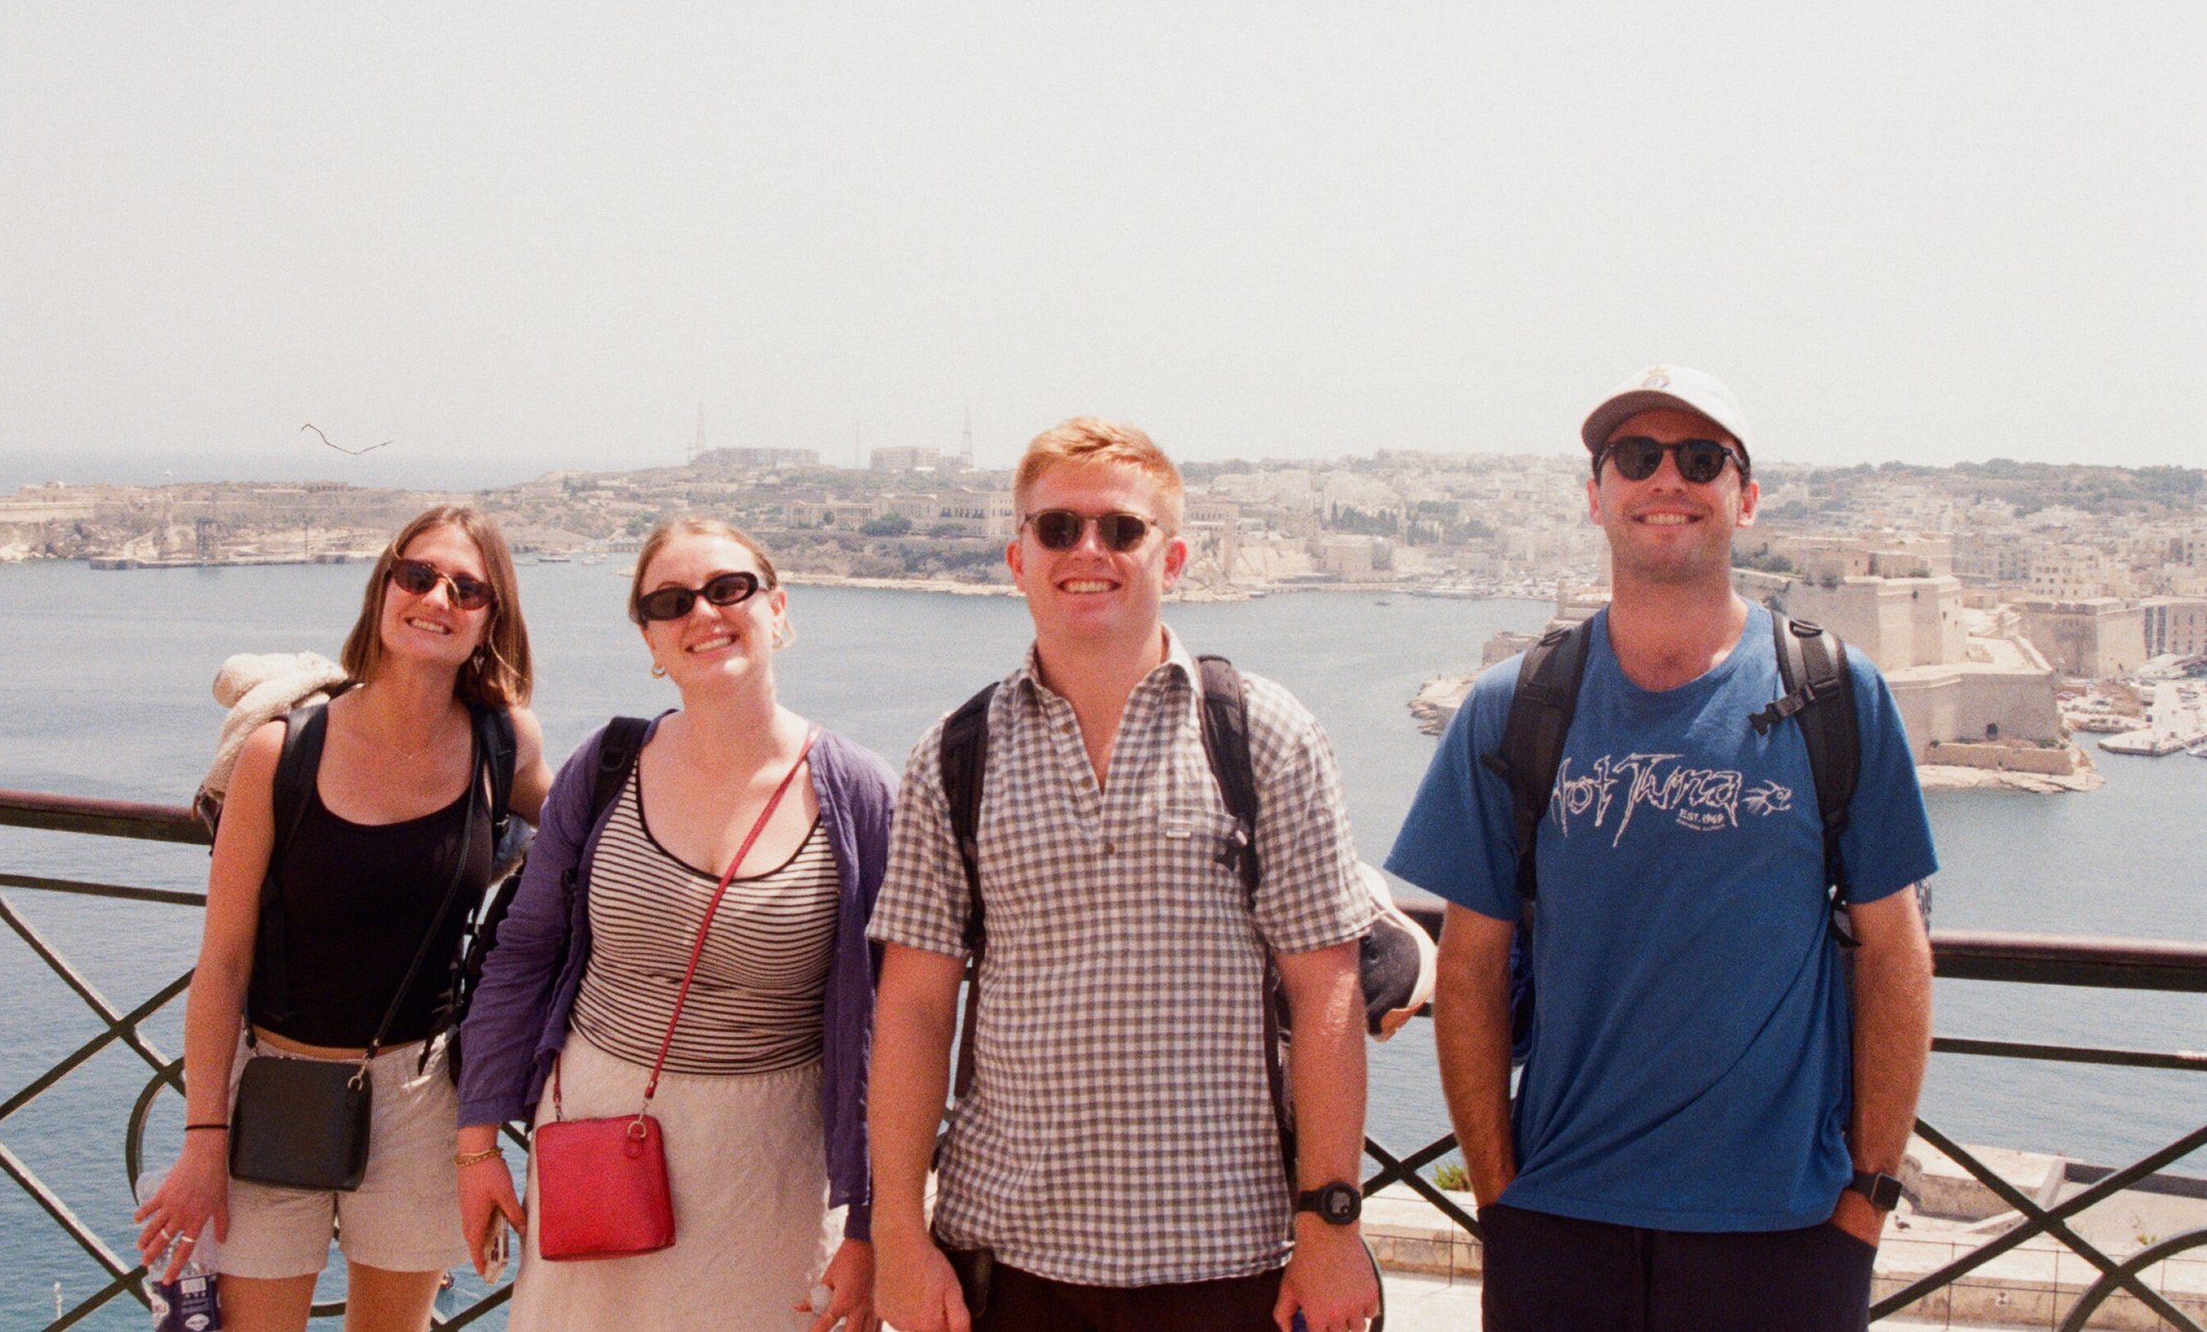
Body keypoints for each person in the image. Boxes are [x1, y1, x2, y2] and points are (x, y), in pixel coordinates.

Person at [1385, 365, 1939, 1332]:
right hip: (1560, 1216)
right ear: (1596, 496)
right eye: (1637, 456)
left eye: (1701, 458)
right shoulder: (1513, 707)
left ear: (1745, 496)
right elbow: (1471, 966)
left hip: (1788, 1227)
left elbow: (1896, 953)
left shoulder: (1841, 696)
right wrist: (1499, 1193)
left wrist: (1867, 1201)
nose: (1667, 478)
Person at [868, 417, 1387, 1332]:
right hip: (1009, 1255)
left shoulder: (1262, 733)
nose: (1089, 550)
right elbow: (914, 1008)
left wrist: (1332, 1222)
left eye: (1122, 529)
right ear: (1016, 556)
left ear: (1175, 557)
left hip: (1226, 1256)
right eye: (1057, 528)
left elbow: (1327, 989)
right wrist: (899, 1233)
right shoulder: (954, 753)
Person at [454, 519, 895, 1332]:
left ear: (779, 609)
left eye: (730, 588)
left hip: (770, 1167)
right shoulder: (607, 763)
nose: (704, 612)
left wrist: (868, 1222)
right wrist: (478, 1142)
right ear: (651, 637)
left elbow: (887, 1026)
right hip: (593, 1139)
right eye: (671, 599)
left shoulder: (860, 794)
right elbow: (523, 953)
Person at [134, 505, 549, 1331]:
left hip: (422, 1094)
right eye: (417, 574)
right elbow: (220, 965)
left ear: (489, 620)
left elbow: (594, 841)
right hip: (273, 1086)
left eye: (466, 588)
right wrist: (202, 1138)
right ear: (383, 587)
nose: (437, 597)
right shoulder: (280, 753)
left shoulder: (505, 745)